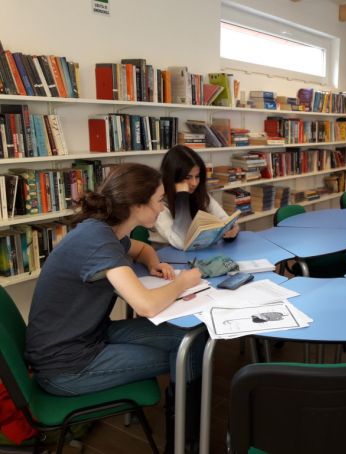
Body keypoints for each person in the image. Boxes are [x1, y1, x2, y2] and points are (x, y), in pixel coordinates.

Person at [25, 163, 206, 453]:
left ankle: (186, 430)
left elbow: (141, 249)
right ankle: (186, 440)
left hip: (88, 338)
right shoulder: (98, 243)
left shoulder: (104, 231)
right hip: (66, 367)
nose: (162, 208)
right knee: (185, 352)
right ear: (136, 205)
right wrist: (184, 281)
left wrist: (153, 263)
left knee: (192, 338)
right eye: (159, 200)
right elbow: (146, 306)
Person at [152, 145, 239, 249]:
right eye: (187, 177)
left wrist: (234, 228)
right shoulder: (160, 203)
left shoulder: (199, 193)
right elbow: (182, 242)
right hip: (167, 257)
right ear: (173, 177)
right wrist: (182, 196)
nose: (194, 183)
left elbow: (224, 219)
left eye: (197, 176)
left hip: (199, 252)